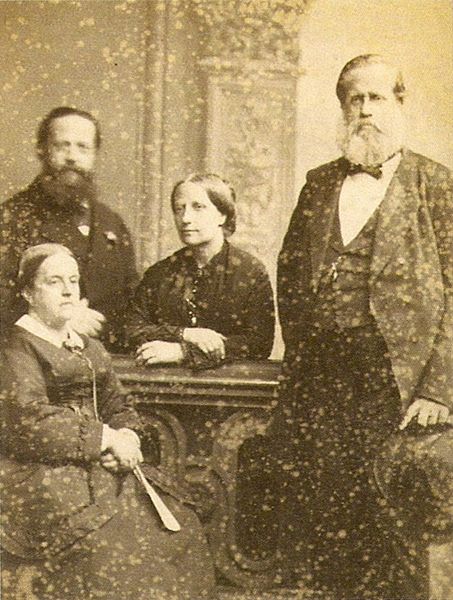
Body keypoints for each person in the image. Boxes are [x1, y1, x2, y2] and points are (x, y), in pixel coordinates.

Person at [273, 54, 452, 600]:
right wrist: (303, 351)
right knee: (324, 521)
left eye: (377, 97)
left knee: (391, 525)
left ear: (399, 103)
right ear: (343, 108)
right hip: (322, 383)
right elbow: (289, 270)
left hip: (397, 384)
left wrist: (439, 388)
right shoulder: (319, 182)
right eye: (355, 99)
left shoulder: (435, 184)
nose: (366, 110)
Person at [0, 243, 215, 599]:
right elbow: (29, 421)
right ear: (27, 292)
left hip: (100, 462)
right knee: (112, 540)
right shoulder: (16, 348)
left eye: (74, 280)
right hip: (37, 469)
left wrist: (128, 436)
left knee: (178, 525)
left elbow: (117, 402)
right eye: (54, 282)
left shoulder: (88, 346)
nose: (69, 290)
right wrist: (105, 439)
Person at [0, 106, 138, 350]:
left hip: (106, 358)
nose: (72, 157)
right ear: (42, 151)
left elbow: (131, 298)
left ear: (94, 154)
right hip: (32, 358)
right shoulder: (12, 217)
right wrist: (57, 317)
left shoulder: (111, 222)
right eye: (62, 146)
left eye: (82, 147)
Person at [125, 173, 275, 368]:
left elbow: (259, 343)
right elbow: (130, 329)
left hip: (230, 388)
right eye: (179, 209)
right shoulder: (160, 273)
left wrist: (183, 352)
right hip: (164, 385)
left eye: (198, 207)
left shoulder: (250, 273)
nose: (185, 218)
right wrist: (185, 334)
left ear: (222, 215)